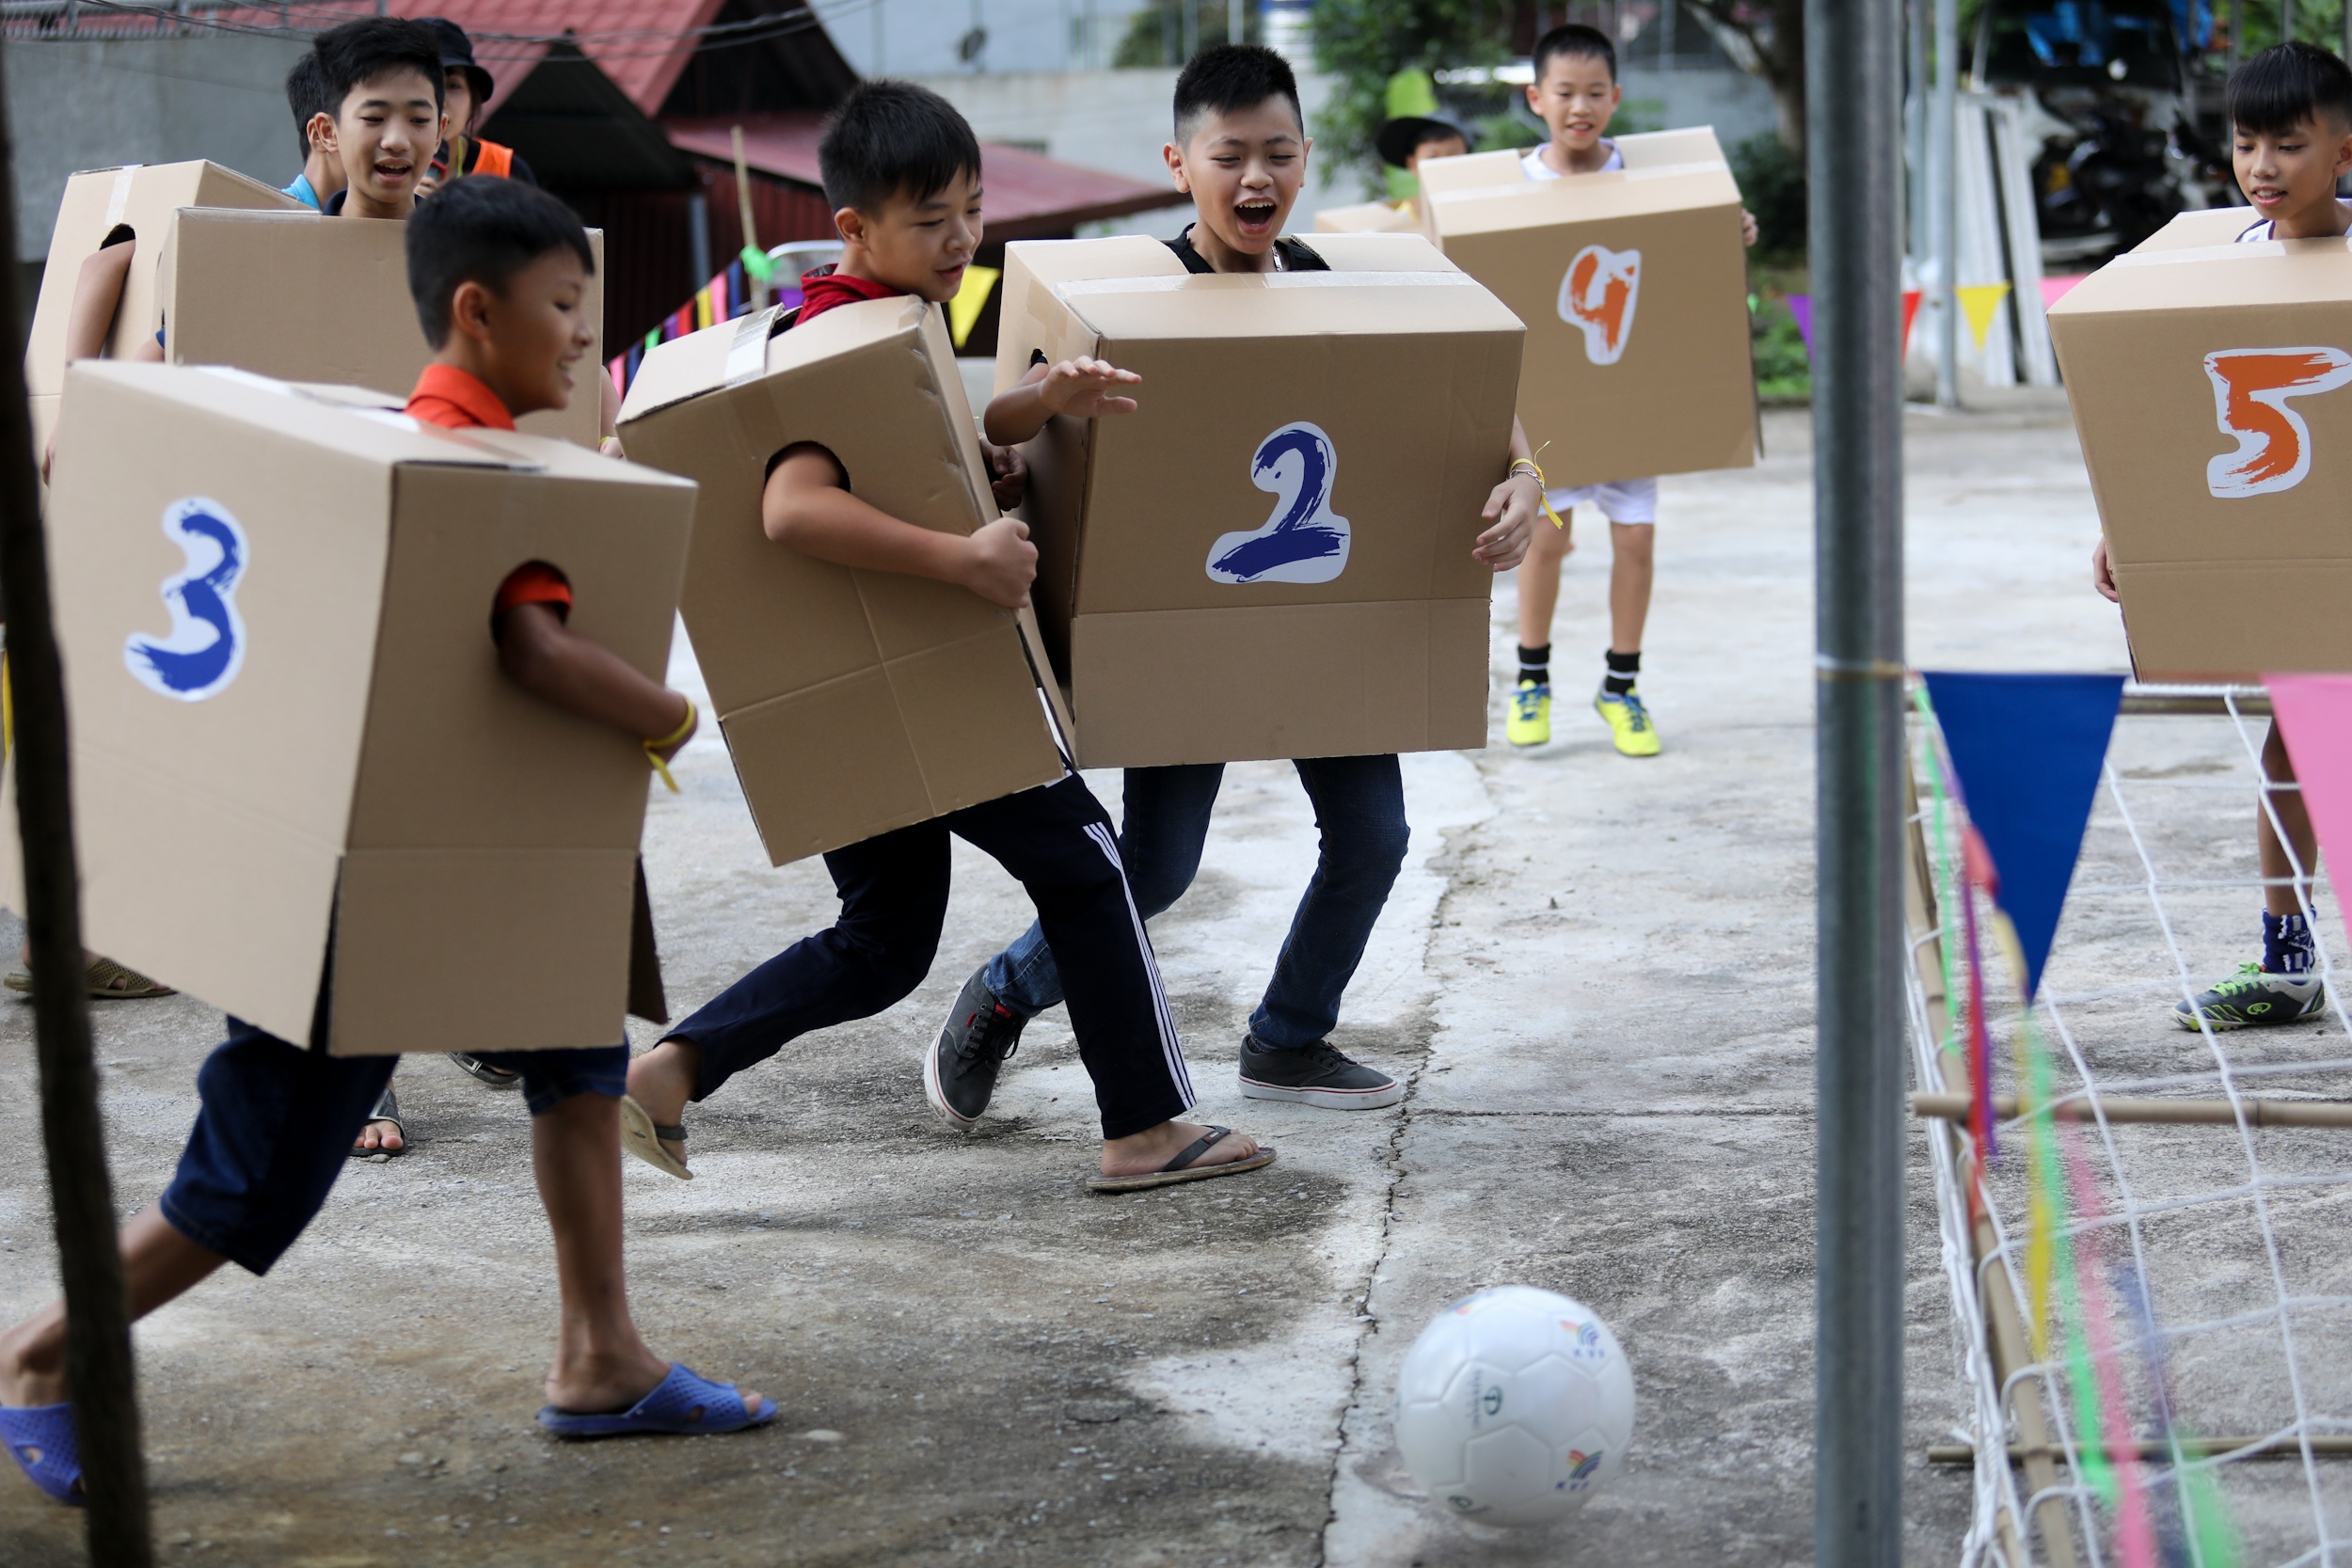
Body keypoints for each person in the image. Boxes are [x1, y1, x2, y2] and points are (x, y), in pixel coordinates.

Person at [0, 176, 771, 1507]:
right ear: (479, 312)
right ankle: (41, 1353)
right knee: (252, 1179)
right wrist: (666, 705)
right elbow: (531, 646)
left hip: (481, 865)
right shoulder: (472, 481)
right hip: (368, 893)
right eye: (567, 308)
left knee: (580, 1067)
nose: (587, 337)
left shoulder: (439, 447)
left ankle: (601, 1351)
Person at [617, 80, 1275, 1196]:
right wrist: (963, 558)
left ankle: (669, 1070)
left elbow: (892, 470)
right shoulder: (834, 336)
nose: (962, 236)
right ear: (853, 229)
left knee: (881, 942)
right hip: (918, 679)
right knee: (1087, 862)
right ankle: (1144, 1125)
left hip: (855, 695)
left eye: (970, 208)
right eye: (931, 220)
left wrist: (986, 465)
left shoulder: (878, 321)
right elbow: (794, 505)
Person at [929, 45, 1543, 1128]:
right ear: (1181, 162)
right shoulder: (1127, 298)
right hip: (1185, 625)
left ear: (1305, 160)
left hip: (1326, 615)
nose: (1255, 178)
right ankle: (1003, 992)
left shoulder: (1346, 289)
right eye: (1230, 156)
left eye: (1277, 154)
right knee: (1157, 869)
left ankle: (1291, 1034)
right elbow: (1003, 421)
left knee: (1374, 838)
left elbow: (1476, 397)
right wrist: (1047, 392)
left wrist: (1527, 480)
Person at [2094, 40, 2346, 1032]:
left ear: (2343, 151)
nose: (2263, 167)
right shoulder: (2207, 269)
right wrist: (2133, 522)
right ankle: (2287, 962)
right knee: (2294, 746)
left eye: (2289, 143)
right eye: (2247, 144)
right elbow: (2158, 410)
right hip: (2291, 549)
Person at [1505, 23, 1758, 756]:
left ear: (1615, 98)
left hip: (1631, 397)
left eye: (1593, 93)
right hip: (1555, 406)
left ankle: (1621, 685)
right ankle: (1532, 678)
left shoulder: (1642, 178)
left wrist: (1727, 230)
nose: (1578, 107)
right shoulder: (1515, 188)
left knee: (1638, 540)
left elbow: (1686, 256)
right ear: (1536, 99)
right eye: (1564, 93)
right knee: (1547, 542)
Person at [413, 16, 537, 196]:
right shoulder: (374, 169)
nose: (440, 101)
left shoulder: (506, 171)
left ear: (473, 99)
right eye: (425, 83)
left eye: (453, 85)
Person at [1374, 110, 1474, 223]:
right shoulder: (1400, 222)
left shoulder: (1480, 210)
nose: (1443, 165)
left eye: (1453, 156)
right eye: (1432, 158)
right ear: (1412, 164)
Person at [280, 49, 344, 212]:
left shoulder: (407, 222)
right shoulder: (264, 224)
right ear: (324, 133)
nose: (396, 141)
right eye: (374, 119)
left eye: (418, 120)